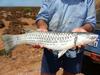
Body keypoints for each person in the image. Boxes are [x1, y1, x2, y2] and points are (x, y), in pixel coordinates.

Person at [36, 0, 96, 75]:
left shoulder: (88, 1)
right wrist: (42, 27)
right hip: (51, 46)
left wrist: (84, 29)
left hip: (76, 50)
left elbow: (91, 22)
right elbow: (42, 17)